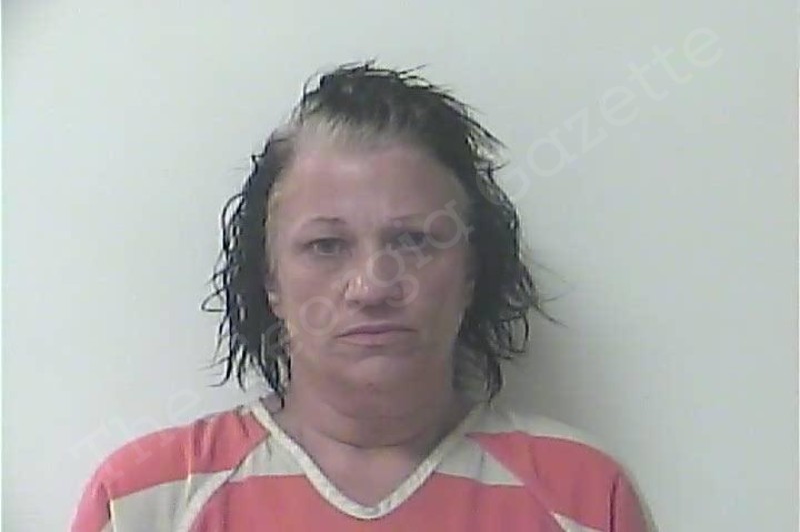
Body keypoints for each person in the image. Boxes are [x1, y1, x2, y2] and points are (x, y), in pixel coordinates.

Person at [72, 62, 649, 531]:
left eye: (415, 241)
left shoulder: (583, 496)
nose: (372, 286)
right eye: (326, 246)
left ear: (471, 271)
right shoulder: (147, 502)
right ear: (270, 282)